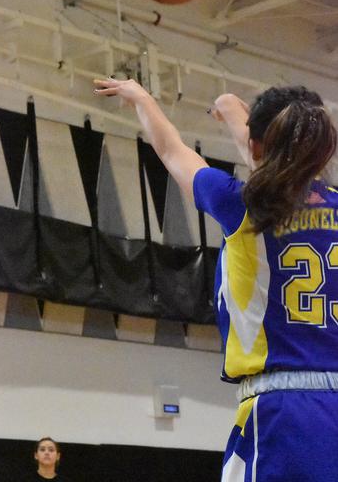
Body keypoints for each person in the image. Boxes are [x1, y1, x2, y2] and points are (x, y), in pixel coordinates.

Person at [94, 77, 338, 481]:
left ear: (257, 145)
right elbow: (275, 163)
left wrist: (141, 98)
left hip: (283, 411)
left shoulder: (241, 204)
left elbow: (173, 152)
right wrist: (231, 110)